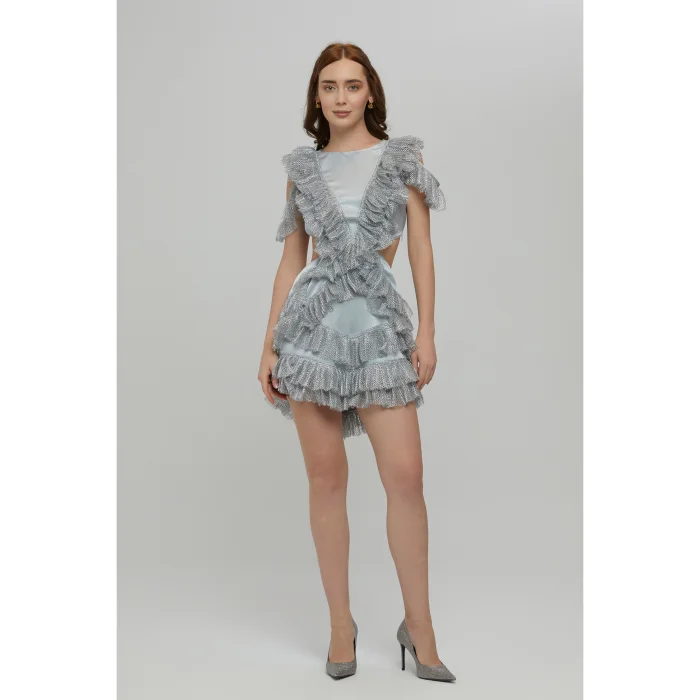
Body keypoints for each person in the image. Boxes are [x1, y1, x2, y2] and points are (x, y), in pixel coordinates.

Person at [258, 42, 455, 682]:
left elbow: (420, 250)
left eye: (352, 84)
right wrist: (269, 344)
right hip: (309, 336)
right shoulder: (303, 169)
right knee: (326, 481)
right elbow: (292, 260)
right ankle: (340, 625)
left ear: (371, 92)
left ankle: (419, 627)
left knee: (406, 478)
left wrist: (426, 333)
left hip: (378, 335)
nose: (340, 96)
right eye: (329, 86)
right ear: (316, 98)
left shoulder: (402, 161)